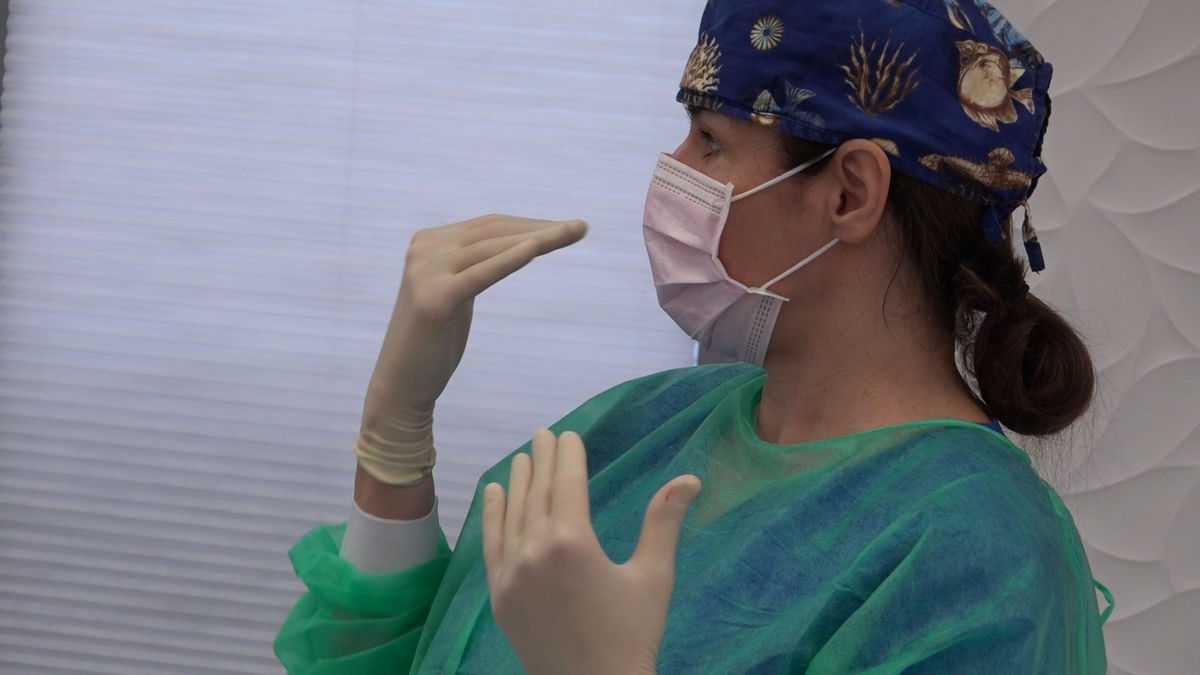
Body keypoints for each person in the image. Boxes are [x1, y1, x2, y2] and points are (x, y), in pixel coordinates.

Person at [274, 0, 1112, 672]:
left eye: (711, 141)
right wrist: (394, 437)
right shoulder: (643, 428)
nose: (672, 169)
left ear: (850, 193)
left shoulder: (978, 558)